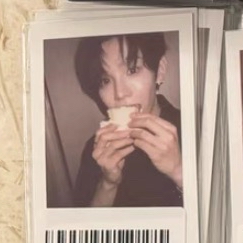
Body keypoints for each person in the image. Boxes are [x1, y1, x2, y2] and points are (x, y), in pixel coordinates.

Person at [70, 32, 183, 208]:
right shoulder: (96, 149)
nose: (120, 93)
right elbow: (83, 223)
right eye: (105, 80)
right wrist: (108, 183)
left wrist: (179, 171)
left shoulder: (200, 129)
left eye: (132, 70)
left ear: (159, 71)